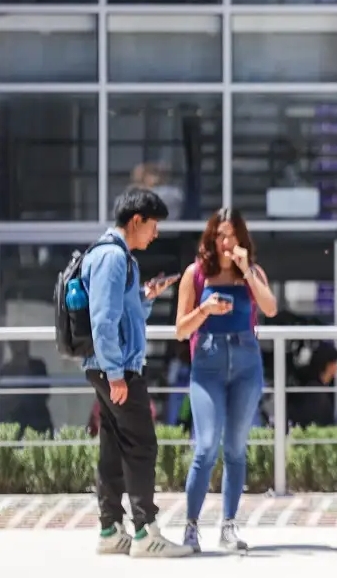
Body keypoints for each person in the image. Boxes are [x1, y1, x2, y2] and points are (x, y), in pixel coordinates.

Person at [84, 187, 191, 558]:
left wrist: (146, 296)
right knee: (142, 446)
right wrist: (116, 373)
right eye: (153, 225)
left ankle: (111, 529)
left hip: (109, 367)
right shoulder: (113, 258)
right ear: (136, 221)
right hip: (117, 370)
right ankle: (146, 533)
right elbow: (103, 321)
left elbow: (122, 317)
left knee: (114, 448)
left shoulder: (114, 256)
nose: (156, 233)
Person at [174, 207, 278, 552]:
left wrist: (247, 270)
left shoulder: (252, 272)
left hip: (247, 365)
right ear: (210, 237)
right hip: (208, 366)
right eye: (220, 235)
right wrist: (205, 310)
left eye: (232, 235)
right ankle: (191, 528)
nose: (225, 242)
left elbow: (271, 307)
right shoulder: (196, 273)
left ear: (241, 238)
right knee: (205, 448)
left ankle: (229, 526)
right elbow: (180, 330)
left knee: (235, 448)